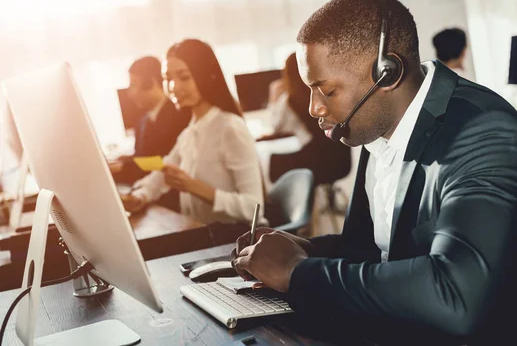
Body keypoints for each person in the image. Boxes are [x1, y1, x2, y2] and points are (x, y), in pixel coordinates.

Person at [232, 0, 517, 345]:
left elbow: (457, 296)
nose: (313, 108)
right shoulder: (377, 126)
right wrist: (302, 250)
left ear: (387, 73)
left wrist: (297, 272)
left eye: (327, 91)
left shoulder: (481, 129)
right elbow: (372, 250)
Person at [123, 39, 266, 242]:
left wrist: (194, 187)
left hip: (236, 242)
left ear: (207, 76)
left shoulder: (229, 127)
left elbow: (254, 209)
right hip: (204, 236)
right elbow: (163, 173)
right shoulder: (190, 131)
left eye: (184, 77)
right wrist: (140, 196)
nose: (173, 87)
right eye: (167, 78)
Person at [266, 53, 351, 187]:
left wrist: (273, 97)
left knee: (269, 163)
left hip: (316, 159)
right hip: (341, 159)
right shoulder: (325, 93)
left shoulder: (289, 99)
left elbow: (275, 126)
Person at [111, 56, 190, 186]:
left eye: (134, 84)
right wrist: (121, 162)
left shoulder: (179, 115)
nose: (130, 93)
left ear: (151, 83)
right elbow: (142, 159)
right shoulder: (142, 122)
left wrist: (123, 167)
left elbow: (161, 161)